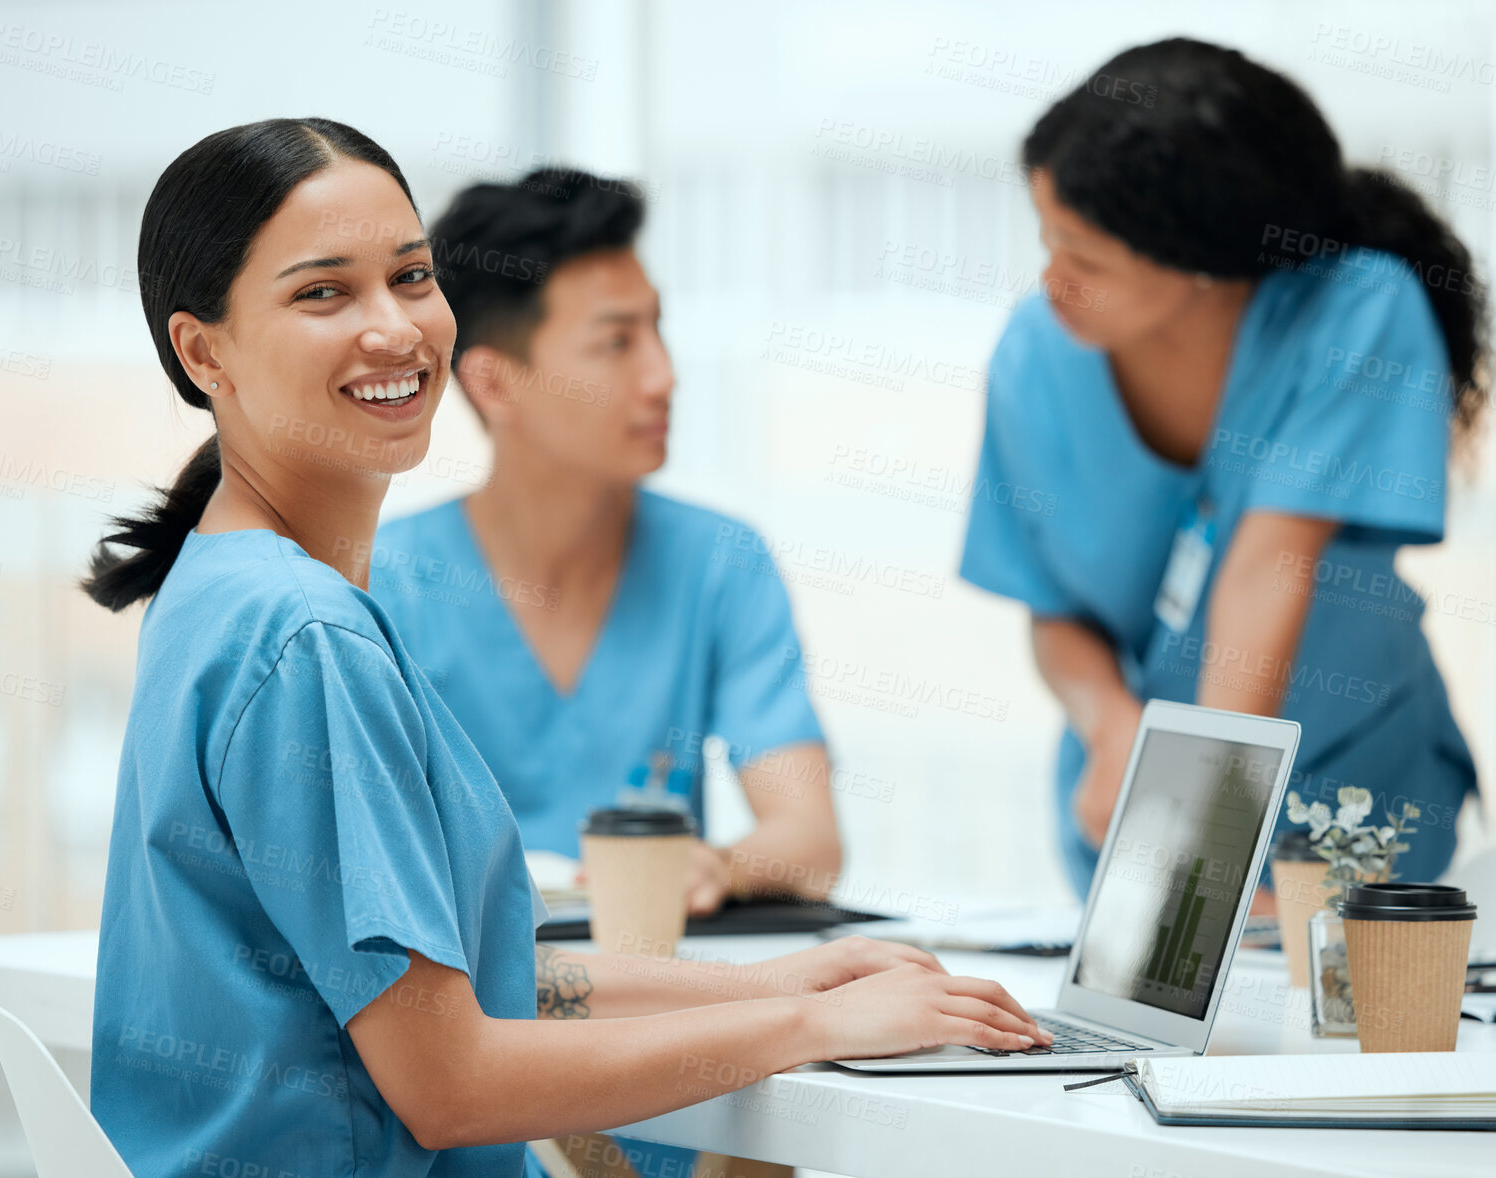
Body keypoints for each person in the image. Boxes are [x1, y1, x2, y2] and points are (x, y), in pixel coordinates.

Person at [82, 117, 1050, 1177]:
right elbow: (451, 1081)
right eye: (323, 293)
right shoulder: (307, 637)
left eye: (411, 276)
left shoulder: (219, 588)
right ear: (201, 350)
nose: (395, 328)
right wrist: (811, 1028)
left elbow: (480, 984)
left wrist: (787, 982)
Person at [959, 38, 1489, 905]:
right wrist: (1112, 728)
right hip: (1141, 803)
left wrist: (1204, 830)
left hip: (1351, 787)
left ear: (1203, 260)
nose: (1052, 282)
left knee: (1342, 1024)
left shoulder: (1356, 309)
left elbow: (1262, 566)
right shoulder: (1034, 356)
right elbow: (1054, 614)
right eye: (1048, 242)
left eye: (1084, 260)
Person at [371, 168, 841, 918]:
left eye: (657, 329)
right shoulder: (380, 584)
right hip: (467, 1005)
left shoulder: (720, 564)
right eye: (616, 343)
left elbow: (811, 841)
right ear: (494, 383)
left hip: (658, 988)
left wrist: (718, 866)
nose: (664, 376)